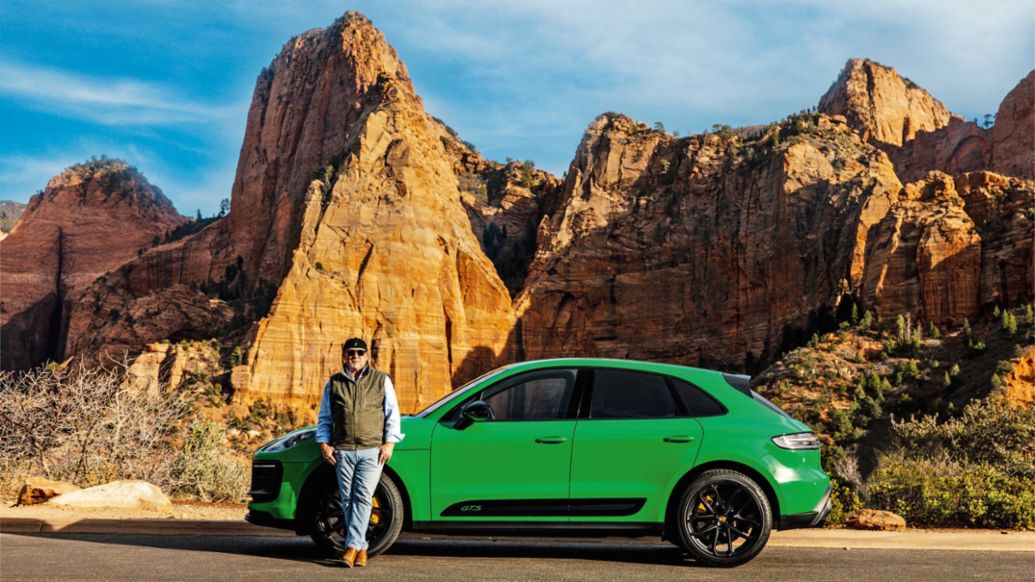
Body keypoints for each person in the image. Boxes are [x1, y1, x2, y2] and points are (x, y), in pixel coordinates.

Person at [315, 337, 404, 568]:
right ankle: (362, 547)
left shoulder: (381, 380)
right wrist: (324, 444)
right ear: (344, 355)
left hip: (372, 451)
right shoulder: (334, 383)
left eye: (359, 353)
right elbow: (324, 417)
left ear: (367, 356)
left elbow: (392, 414)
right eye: (351, 353)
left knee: (363, 498)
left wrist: (389, 443)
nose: (355, 356)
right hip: (343, 451)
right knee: (347, 500)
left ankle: (351, 547)